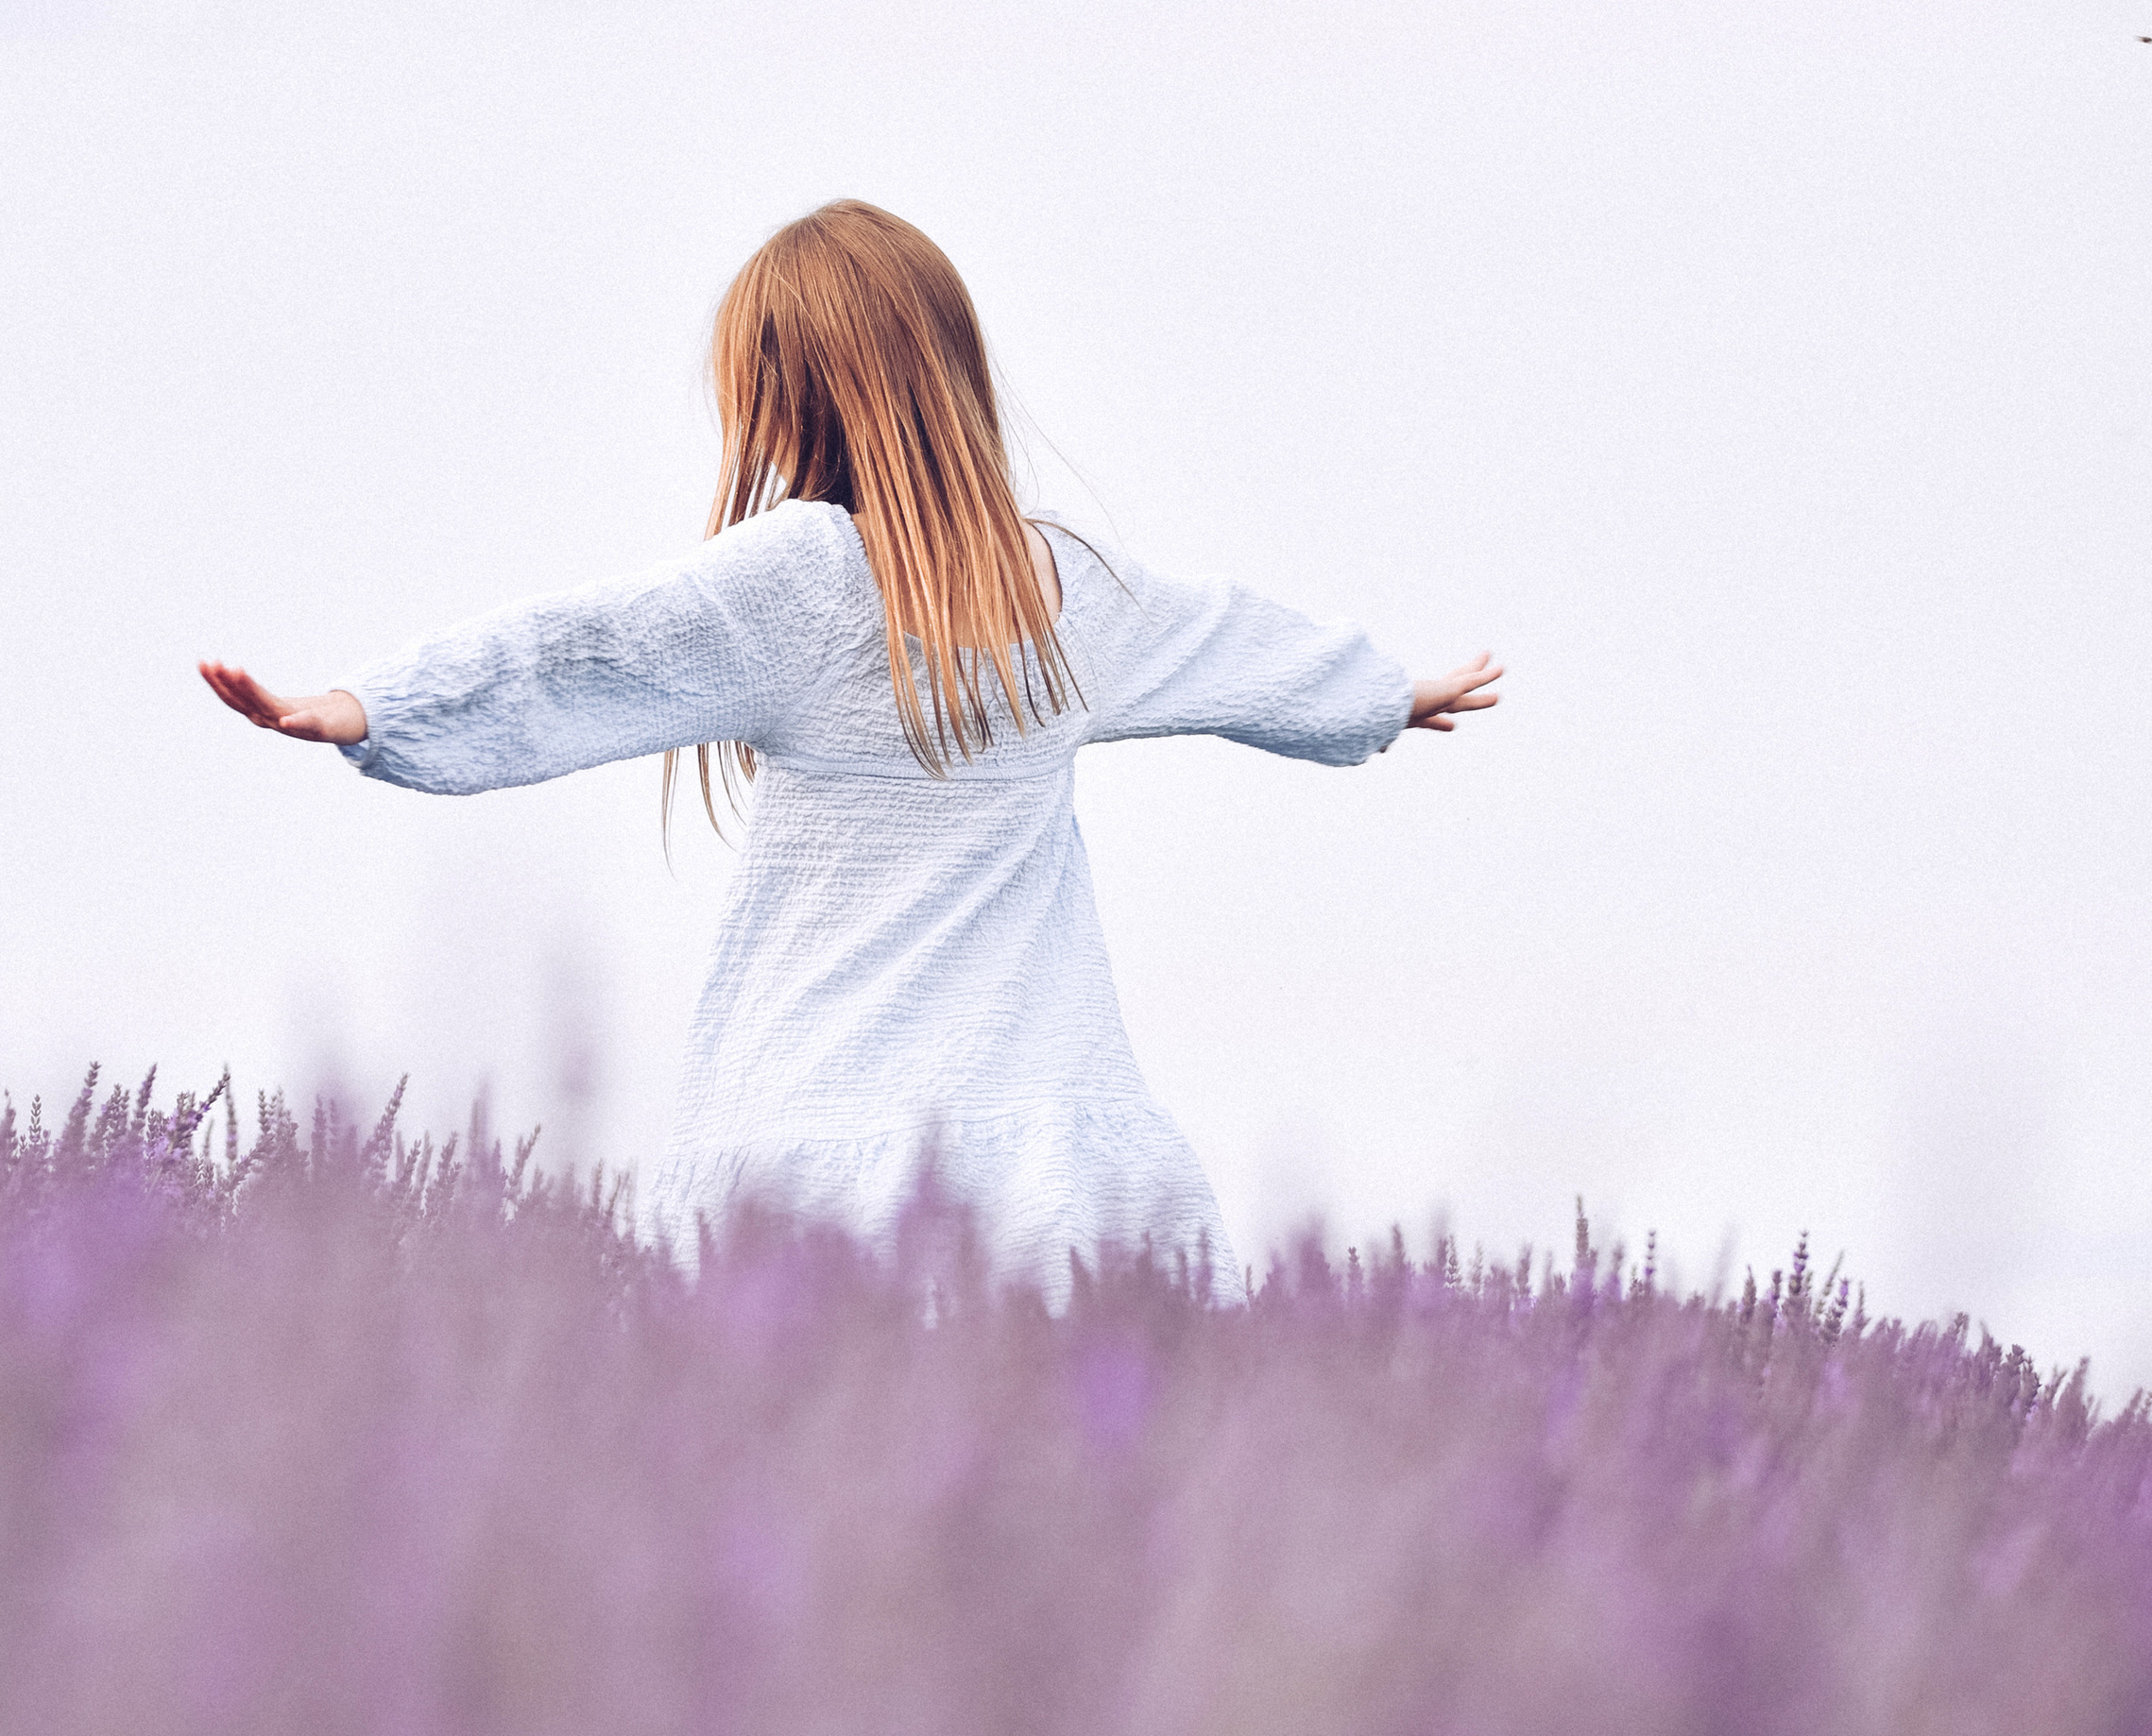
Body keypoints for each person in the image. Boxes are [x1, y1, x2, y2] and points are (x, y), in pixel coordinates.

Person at [201, 200, 1500, 1299]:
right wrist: (1385, 692)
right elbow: (1239, 641)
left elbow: (581, 651)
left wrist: (370, 707)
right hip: (1045, 1162)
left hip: (814, 1144)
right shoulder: (1066, 590)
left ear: (781, 391)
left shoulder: (799, 580)